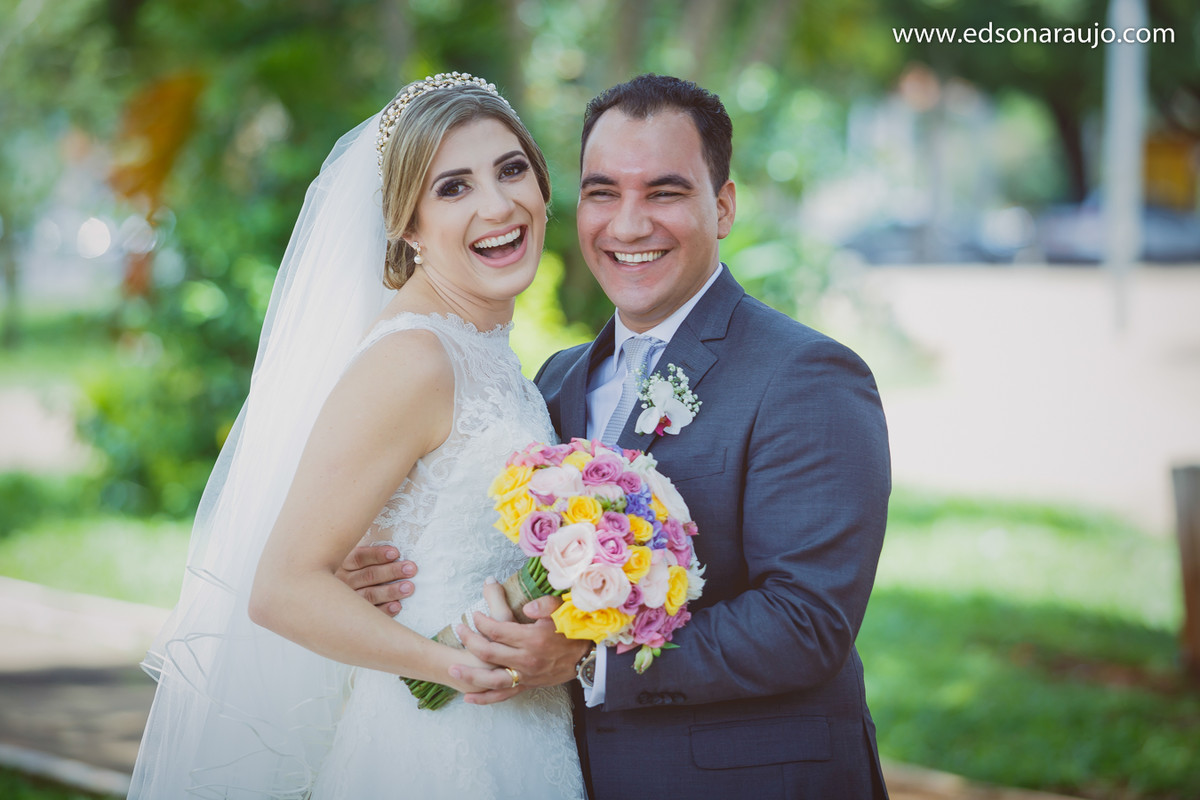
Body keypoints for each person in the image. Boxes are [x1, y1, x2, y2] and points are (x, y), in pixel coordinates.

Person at [355, 74, 893, 798]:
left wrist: (587, 660)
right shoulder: (552, 383)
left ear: (724, 205)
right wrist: (382, 561)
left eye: (664, 192)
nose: (629, 225)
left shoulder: (807, 375)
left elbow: (805, 621)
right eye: (603, 192)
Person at [129, 74, 585, 799]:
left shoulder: (478, 346)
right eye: (453, 188)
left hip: (517, 732)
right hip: (441, 744)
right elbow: (281, 588)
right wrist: (451, 668)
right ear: (406, 226)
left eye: (510, 169)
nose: (498, 205)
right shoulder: (415, 358)